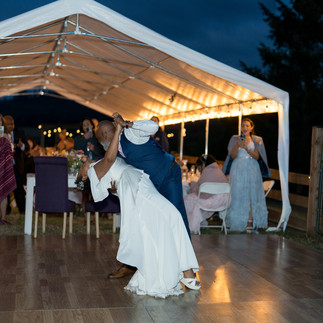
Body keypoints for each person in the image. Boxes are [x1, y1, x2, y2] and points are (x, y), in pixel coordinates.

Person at [78, 121, 200, 298]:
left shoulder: (104, 159)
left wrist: (127, 125)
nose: (83, 164)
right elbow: (110, 161)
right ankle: (181, 271)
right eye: (80, 170)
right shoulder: (93, 171)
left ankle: (182, 269)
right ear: (83, 177)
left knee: (168, 220)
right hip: (136, 189)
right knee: (170, 217)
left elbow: (116, 166)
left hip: (143, 182)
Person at [95, 113, 191, 279]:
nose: (101, 144)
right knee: (144, 222)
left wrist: (128, 124)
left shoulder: (131, 133)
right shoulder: (113, 154)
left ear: (105, 135)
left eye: (100, 139)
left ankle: (187, 267)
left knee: (177, 216)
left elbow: (153, 127)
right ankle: (140, 264)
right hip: (150, 185)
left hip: (168, 175)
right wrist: (115, 189)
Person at [222, 118, 271, 232]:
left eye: (247, 126)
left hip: (252, 168)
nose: (245, 128)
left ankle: (250, 221)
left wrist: (247, 149)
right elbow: (232, 156)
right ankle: (236, 221)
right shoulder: (235, 139)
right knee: (237, 193)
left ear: (251, 127)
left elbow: (258, 156)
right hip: (238, 167)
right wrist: (238, 146)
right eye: (243, 126)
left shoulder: (257, 140)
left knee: (251, 194)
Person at [184, 154, 230, 234]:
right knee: (192, 198)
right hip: (224, 200)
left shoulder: (206, 171)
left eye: (199, 167)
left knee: (187, 199)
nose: (199, 170)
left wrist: (192, 184)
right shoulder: (218, 170)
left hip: (213, 201)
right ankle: (199, 221)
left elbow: (202, 193)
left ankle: (189, 222)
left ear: (203, 165)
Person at [3, 115, 29, 214]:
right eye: (8, 124)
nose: (10, 126)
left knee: (18, 188)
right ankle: (7, 209)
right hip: (5, 166)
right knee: (6, 188)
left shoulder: (20, 133)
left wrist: (21, 145)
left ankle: (22, 209)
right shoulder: (2, 134)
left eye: (12, 123)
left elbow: (27, 148)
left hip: (16, 166)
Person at [0, 114, 16, 224]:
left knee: (4, 192)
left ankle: (3, 218)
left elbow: (11, 150)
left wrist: (6, 140)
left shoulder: (6, 135)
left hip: (4, 167)